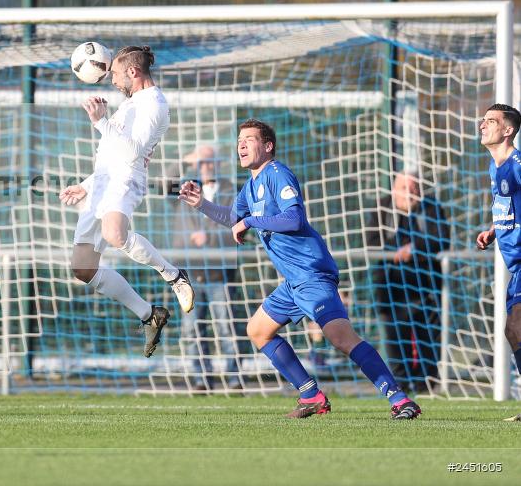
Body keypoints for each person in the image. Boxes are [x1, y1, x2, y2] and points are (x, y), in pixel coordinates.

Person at [179, 118, 421, 419]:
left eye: (249, 139)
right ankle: (311, 395)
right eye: (239, 139)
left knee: (342, 338)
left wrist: (251, 222)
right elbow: (232, 217)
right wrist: (202, 204)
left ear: (268, 146)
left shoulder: (277, 174)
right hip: (293, 281)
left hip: (312, 273)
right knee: (258, 331)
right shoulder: (250, 185)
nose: (241, 144)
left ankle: (400, 400)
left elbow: (293, 219)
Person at [60, 45, 194, 358]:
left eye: (117, 73)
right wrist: (86, 185)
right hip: (102, 184)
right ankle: (150, 315)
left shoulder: (154, 103)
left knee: (115, 234)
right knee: (82, 268)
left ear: (133, 72)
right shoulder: (130, 104)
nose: (113, 80)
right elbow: (109, 155)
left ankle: (173, 275)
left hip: (126, 181)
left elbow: (131, 153)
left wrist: (100, 122)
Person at [367, 171, 448, 393]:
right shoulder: (382, 208)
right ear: (394, 190)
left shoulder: (431, 208)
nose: (409, 194)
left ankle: (427, 386)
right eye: (404, 188)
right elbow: (373, 242)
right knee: (395, 345)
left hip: (425, 288)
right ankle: (398, 389)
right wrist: (394, 251)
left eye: (414, 189)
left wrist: (415, 249)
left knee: (428, 341)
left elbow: (441, 237)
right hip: (391, 289)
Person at [173, 144, 241, 391]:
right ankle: (201, 379)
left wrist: (209, 239)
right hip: (189, 273)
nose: (206, 167)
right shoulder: (182, 190)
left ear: (218, 164)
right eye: (201, 162)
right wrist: (185, 159)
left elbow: (239, 227)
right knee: (192, 329)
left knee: (226, 327)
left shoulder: (232, 191)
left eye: (209, 161)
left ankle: (234, 379)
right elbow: (163, 181)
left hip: (219, 272)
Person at [474, 103, 521, 422]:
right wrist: (494, 230)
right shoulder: (496, 166)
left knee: (515, 327)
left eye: (491, 121)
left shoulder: (517, 164)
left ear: (508, 130)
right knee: (514, 331)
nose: (482, 125)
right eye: (482, 120)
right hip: (516, 265)